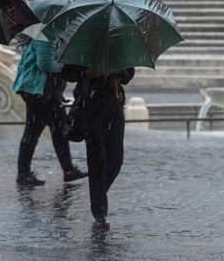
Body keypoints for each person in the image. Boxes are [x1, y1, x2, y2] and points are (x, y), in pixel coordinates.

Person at [62, 65, 135, 228]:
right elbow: (67, 72)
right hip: (90, 108)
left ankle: (98, 194)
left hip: (114, 108)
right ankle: (99, 210)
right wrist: (85, 73)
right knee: (97, 159)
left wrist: (117, 72)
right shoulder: (83, 45)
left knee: (116, 160)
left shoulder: (119, 44)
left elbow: (129, 73)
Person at [12, 38, 87, 186]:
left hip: (45, 92)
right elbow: (46, 64)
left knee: (58, 130)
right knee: (35, 131)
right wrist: (67, 65)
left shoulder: (49, 34)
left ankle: (68, 170)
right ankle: (23, 173)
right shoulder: (46, 36)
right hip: (39, 92)